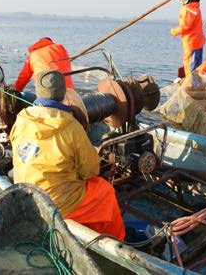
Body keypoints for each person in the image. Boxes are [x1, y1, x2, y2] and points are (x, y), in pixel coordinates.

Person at [10, 70, 125, 240]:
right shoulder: (71, 127)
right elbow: (91, 170)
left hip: (26, 195)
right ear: (63, 93)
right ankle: (117, 239)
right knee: (105, 191)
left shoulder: (21, 119)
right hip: (58, 204)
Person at [170, 0, 206, 78]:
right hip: (198, 40)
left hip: (190, 41)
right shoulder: (194, 5)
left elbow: (185, 26)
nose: (179, 0)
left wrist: (174, 32)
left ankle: (191, 85)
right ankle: (196, 84)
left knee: (190, 65)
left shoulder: (188, 9)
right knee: (197, 64)